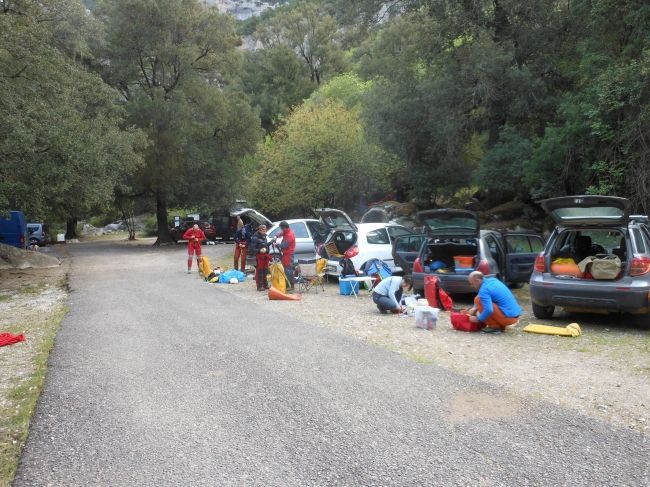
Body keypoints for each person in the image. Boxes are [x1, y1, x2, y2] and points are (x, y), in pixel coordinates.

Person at [272, 221, 296, 292]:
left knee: (288, 270)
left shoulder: (289, 235)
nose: (281, 230)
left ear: (285, 228)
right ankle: (288, 285)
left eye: (282, 229)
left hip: (288, 254)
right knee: (287, 269)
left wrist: (276, 244)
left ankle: (290, 286)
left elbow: (284, 245)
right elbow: (282, 233)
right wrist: (276, 236)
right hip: (286, 254)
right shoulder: (287, 231)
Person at [250, 224, 271, 291]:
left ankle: (265, 285)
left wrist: (269, 245)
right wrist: (259, 250)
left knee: (265, 271)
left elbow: (265, 246)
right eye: (262, 229)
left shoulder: (264, 237)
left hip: (265, 256)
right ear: (259, 230)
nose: (264, 231)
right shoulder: (255, 238)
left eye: (265, 229)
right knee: (260, 271)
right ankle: (259, 286)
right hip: (259, 257)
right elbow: (252, 249)